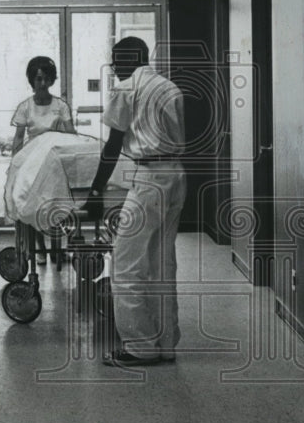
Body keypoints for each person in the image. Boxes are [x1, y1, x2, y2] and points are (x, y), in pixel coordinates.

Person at [82, 37, 186, 366]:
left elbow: (112, 145)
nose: (114, 66)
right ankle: (165, 343)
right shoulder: (169, 87)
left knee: (125, 263)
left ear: (134, 57)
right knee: (161, 262)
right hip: (176, 175)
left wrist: (96, 191)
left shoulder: (126, 89)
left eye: (117, 59)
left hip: (150, 179)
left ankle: (139, 347)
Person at [11, 55, 75, 264]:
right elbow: (19, 138)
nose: (43, 83)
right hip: (32, 160)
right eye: (38, 79)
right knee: (33, 202)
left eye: (46, 79)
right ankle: (39, 248)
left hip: (55, 158)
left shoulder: (60, 105)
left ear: (52, 80)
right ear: (32, 80)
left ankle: (57, 249)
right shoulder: (25, 107)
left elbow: (70, 132)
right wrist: (15, 166)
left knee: (57, 200)